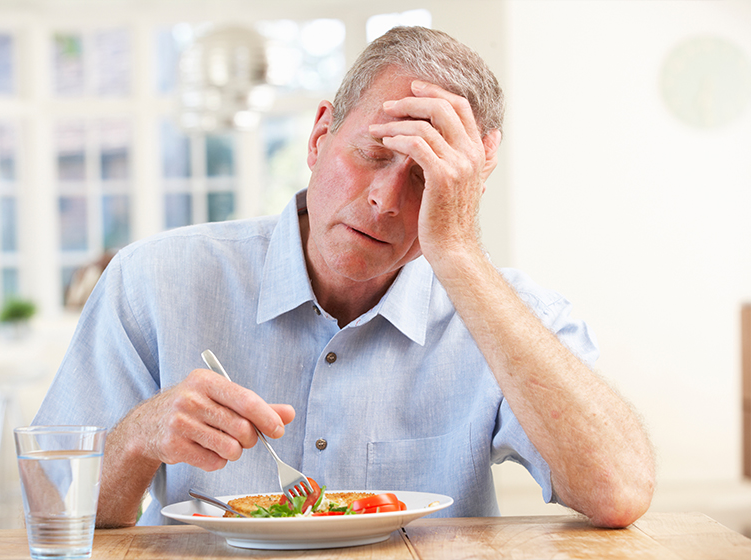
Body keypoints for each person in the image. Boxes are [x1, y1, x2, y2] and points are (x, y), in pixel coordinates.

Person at [33, 26, 655, 529]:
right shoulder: (153, 279)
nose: (385, 200)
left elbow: (619, 491)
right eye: (373, 153)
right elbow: (52, 507)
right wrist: (140, 437)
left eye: (424, 177)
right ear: (319, 134)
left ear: (468, 189)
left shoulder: (515, 315)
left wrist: (459, 253)